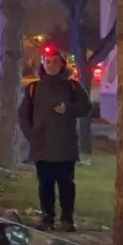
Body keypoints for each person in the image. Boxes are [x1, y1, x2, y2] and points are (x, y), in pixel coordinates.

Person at [16, 45, 90, 232]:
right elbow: (23, 114)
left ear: (62, 64)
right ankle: (47, 218)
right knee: (45, 184)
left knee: (66, 185)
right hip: (42, 145)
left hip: (65, 145)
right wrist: (32, 134)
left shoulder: (73, 86)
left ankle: (67, 219)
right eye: (47, 62)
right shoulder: (33, 88)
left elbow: (86, 107)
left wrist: (69, 109)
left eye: (55, 62)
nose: (50, 66)